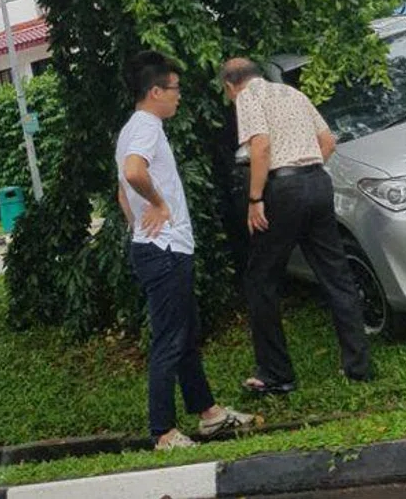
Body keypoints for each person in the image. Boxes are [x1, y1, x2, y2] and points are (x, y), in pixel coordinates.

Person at [116, 51, 253, 449]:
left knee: (185, 333)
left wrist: (138, 224)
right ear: (155, 91)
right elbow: (133, 173)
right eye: (174, 88)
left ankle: (209, 414)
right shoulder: (146, 127)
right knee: (170, 339)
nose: (179, 95)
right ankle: (162, 432)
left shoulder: (131, 130)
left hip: (158, 247)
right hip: (164, 250)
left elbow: (122, 192)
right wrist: (159, 207)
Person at [221, 57, 373, 395]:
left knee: (260, 280)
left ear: (230, 86)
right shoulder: (293, 93)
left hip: (282, 188)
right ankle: (358, 365)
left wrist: (255, 199)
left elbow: (260, 146)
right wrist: (307, 170)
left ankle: (275, 373)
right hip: (317, 181)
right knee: (336, 274)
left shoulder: (248, 97)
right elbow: (328, 142)